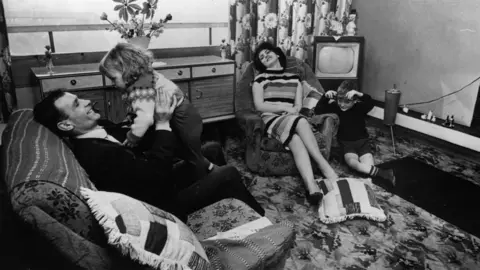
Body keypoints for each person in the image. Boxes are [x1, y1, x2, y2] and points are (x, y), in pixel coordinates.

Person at [32, 89, 265, 221]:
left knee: (212, 149)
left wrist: (147, 116)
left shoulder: (99, 126)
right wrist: (163, 124)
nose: (87, 101)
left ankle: (233, 210)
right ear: (64, 125)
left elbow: (139, 140)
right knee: (228, 174)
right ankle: (262, 221)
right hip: (161, 205)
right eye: (76, 104)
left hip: (156, 179)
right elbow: (156, 176)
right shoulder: (94, 154)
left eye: (79, 98)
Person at [98, 42, 212, 180]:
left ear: (126, 71)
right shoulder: (145, 76)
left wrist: (133, 137)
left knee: (191, 153)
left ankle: (203, 179)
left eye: (113, 78)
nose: (113, 84)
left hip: (183, 117)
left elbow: (146, 118)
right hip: (186, 112)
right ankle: (206, 165)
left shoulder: (141, 89)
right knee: (186, 149)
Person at [252, 42, 338, 205]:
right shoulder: (259, 80)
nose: (265, 57)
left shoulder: (295, 80)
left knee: (296, 140)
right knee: (300, 121)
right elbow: (259, 106)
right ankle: (325, 167)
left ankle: (311, 187)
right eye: (261, 57)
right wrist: (284, 107)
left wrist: (293, 110)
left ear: (277, 54)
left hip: (291, 117)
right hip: (271, 118)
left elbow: (298, 106)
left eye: (267, 52)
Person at [315, 80, 396, 185]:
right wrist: (325, 97)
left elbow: (371, 103)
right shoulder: (335, 107)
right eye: (340, 100)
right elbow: (318, 110)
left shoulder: (360, 107)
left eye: (347, 102)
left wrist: (359, 94)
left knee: (369, 167)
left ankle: (375, 178)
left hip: (363, 142)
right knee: (353, 163)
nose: (342, 104)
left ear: (355, 100)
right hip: (347, 145)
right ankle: (383, 173)